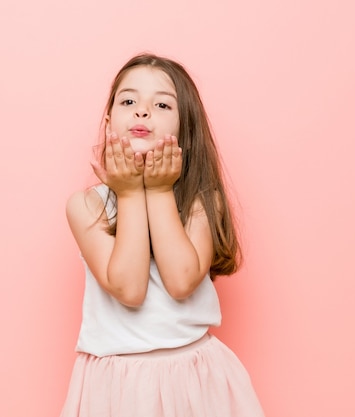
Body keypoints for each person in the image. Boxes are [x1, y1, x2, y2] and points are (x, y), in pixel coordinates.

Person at [60, 53, 265, 417]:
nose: (142, 112)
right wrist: (129, 192)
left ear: (184, 127)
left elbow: (181, 280)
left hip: (194, 380)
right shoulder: (86, 206)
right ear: (109, 122)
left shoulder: (203, 202)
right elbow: (129, 288)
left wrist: (157, 191)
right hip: (117, 387)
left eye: (161, 104)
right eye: (128, 101)